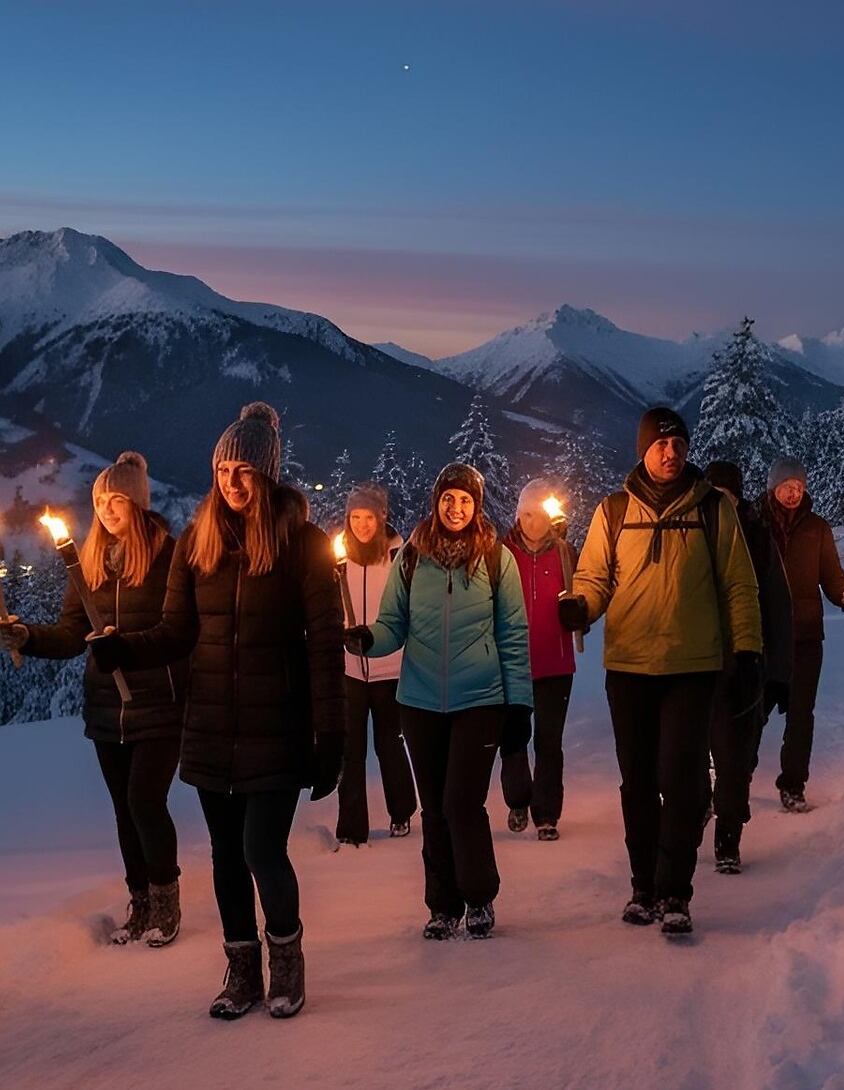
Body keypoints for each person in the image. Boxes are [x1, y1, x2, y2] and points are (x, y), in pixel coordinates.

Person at [88, 403, 346, 1019]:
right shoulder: (196, 544)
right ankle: (242, 973)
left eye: (245, 471)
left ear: (267, 475)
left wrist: (330, 734)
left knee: (262, 850)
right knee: (227, 857)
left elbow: (324, 643)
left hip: (276, 727)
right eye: (224, 469)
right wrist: (125, 644)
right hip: (210, 728)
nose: (232, 482)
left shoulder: (300, 543)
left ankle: (286, 964)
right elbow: (177, 632)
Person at [559, 407, 762, 938]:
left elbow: (740, 585)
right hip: (628, 667)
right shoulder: (614, 511)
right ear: (643, 450)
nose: (672, 453)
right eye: (661, 445)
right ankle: (643, 886)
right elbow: (594, 578)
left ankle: (676, 891)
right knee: (639, 784)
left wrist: (748, 651)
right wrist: (581, 606)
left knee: (684, 782)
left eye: (679, 444)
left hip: (693, 667)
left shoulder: (714, 509)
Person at [0, 452, 188, 945]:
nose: (106, 509)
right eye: (99, 500)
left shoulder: (169, 557)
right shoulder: (88, 562)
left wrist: (129, 648)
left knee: (145, 802)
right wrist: (28, 638)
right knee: (125, 810)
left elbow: (177, 630)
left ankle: (167, 901)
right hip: (106, 709)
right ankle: (140, 901)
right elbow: (69, 633)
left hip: (159, 703)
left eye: (116, 499)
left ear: (138, 504)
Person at [348, 462, 530, 940]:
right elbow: (393, 624)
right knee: (434, 807)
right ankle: (442, 905)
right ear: (436, 502)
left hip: (481, 700)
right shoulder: (411, 557)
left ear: (477, 506)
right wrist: (369, 638)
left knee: (462, 803)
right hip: (420, 701)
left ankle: (480, 897)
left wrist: (520, 705)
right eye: (448, 499)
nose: (455, 508)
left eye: (465, 500)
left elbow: (513, 635)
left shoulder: (496, 558)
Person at [699, 460, 793, 874]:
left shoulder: (757, 537)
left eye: (729, 496)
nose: (722, 503)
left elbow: (777, 607)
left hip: (745, 665)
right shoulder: (692, 535)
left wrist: (778, 675)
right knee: (693, 754)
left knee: (738, 760)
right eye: (715, 496)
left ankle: (728, 838)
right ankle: (701, 806)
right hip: (696, 665)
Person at [760, 456, 844, 813]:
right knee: (754, 712)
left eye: (798, 488)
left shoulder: (817, 528)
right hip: (765, 635)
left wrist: (842, 593)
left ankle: (793, 785)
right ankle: (734, 777)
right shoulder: (757, 525)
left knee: (801, 713)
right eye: (787, 487)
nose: (793, 494)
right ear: (774, 488)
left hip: (805, 635)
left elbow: (830, 574)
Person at [335, 484, 418, 846]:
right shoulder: (337, 558)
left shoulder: (397, 554)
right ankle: (352, 828)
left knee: (390, 744)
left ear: (382, 517)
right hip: (351, 670)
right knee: (350, 750)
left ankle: (401, 812)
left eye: (369, 517)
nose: (362, 525)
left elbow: (409, 608)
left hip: (390, 668)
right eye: (355, 517)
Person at [499, 478, 578, 841]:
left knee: (549, 741)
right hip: (512, 662)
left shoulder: (565, 553)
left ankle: (546, 813)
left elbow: (587, 594)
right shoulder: (501, 553)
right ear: (518, 515)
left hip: (555, 663)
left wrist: (581, 612)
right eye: (526, 514)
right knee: (513, 737)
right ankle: (518, 799)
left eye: (538, 514)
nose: (532, 522)